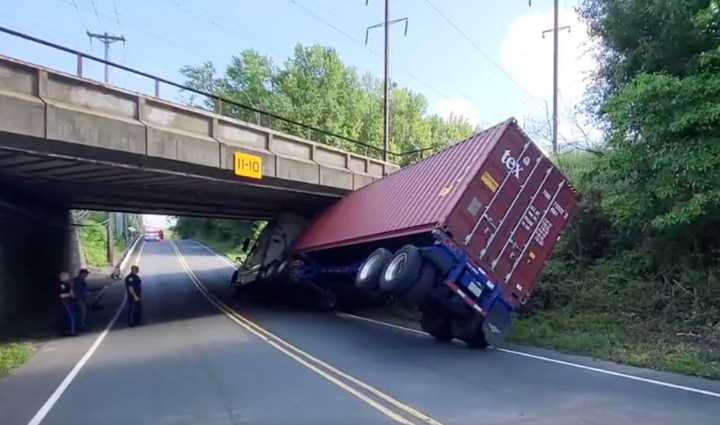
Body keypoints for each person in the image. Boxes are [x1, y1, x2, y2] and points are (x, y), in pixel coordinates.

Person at [57, 271, 77, 336]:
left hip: (69, 302)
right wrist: (70, 294)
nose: (68, 277)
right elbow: (61, 295)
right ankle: (71, 331)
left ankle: (70, 330)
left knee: (70, 317)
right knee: (70, 317)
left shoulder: (68, 283)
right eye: (67, 276)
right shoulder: (62, 285)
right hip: (66, 303)